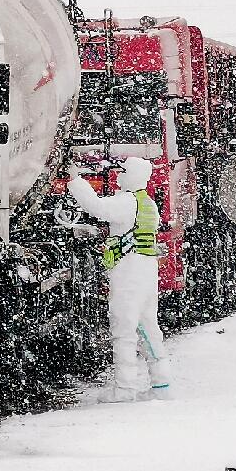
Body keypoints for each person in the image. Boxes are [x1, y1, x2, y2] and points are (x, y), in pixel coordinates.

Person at [68, 157, 170, 402]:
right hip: (146, 269)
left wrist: (75, 181)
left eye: (123, 172)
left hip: (128, 270)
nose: (119, 176)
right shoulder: (149, 204)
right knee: (148, 329)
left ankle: (124, 390)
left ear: (133, 176)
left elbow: (97, 208)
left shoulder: (127, 202)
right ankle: (162, 386)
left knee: (123, 330)